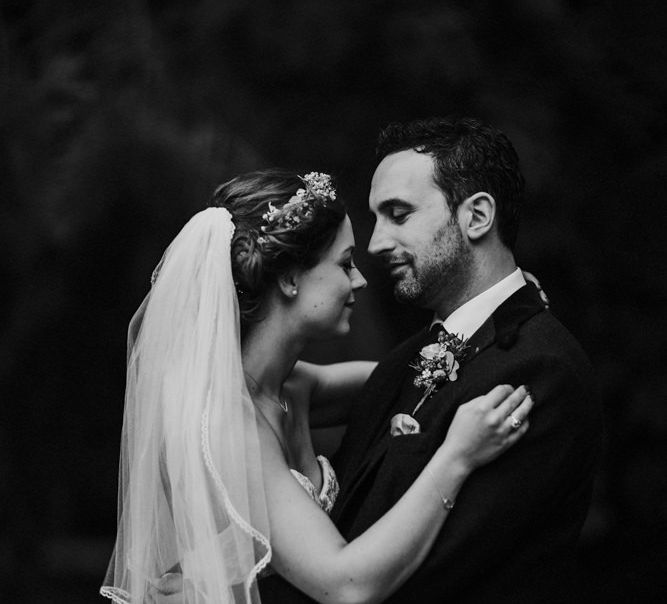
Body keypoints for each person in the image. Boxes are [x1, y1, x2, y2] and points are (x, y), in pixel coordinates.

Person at [100, 169, 533, 604]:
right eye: (345, 264)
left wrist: (499, 305)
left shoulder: (292, 388)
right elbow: (345, 585)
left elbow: (409, 374)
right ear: (290, 279)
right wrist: (456, 458)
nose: (360, 280)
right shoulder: (232, 420)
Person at [259, 118, 602, 603]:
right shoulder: (411, 356)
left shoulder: (540, 370)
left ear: (477, 216)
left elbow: (432, 582)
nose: (375, 244)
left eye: (398, 214)